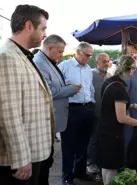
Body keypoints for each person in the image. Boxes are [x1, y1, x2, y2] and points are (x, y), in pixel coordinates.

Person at [0, 5, 53, 185]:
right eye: (43, 28)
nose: (45, 34)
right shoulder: (7, 57)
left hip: (34, 151)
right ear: (29, 26)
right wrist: (21, 159)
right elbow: (8, 113)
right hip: (21, 160)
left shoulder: (21, 55)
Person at [96, 55, 137, 185]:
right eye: (133, 69)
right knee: (112, 168)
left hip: (104, 130)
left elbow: (112, 103)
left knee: (106, 166)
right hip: (113, 135)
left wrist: (134, 106)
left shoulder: (110, 81)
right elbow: (122, 118)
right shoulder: (120, 89)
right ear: (129, 70)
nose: (134, 72)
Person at [33, 35, 81, 185]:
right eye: (60, 51)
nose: (61, 55)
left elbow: (54, 84)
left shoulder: (48, 61)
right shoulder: (40, 63)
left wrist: (66, 84)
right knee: (44, 162)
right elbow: (49, 92)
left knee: (47, 160)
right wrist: (70, 89)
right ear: (49, 48)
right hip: (46, 119)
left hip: (52, 118)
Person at [58, 42, 95, 185]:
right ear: (78, 52)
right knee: (68, 145)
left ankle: (80, 172)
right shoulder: (65, 66)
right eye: (87, 55)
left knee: (83, 144)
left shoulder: (87, 69)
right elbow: (57, 87)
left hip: (87, 109)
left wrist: (92, 102)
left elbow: (89, 88)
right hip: (71, 109)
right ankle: (67, 176)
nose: (89, 58)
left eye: (91, 55)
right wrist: (69, 88)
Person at [87, 53, 112, 178]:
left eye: (108, 61)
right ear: (97, 62)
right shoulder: (90, 74)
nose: (106, 63)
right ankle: (91, 163)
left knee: (102, 140)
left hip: (107, 115)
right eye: (103, 61)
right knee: (93, 139)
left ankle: (99, 163)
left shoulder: (110, 76)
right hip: (94, 113)